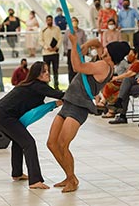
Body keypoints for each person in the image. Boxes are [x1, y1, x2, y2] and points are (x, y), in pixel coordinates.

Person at [48, 36, 131, 193]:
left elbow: (77, 67)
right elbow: (97, 43)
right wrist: (86, 45)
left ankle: (72, 180)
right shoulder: (104, 60)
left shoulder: (103, 66)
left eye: (106, 50)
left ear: (111, 55)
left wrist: (74, 44)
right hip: (69, 102)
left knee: (63, 144)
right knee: (52, 143)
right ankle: (68, 176)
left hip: (78, 107)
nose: (103, 50)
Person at [0, 61, 64, 190]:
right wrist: (79, 95)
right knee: (29, 143)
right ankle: (35, 180)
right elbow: (60, 94)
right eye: (43, 71)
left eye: (47, 71)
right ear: (36, 74)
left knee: (19, 141)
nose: (47, 74)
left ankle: (17, 173)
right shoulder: (38, 85)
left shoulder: (32, 85)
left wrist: (55, 104)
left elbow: (39, 107)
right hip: (5, 116)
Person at [98, 49, 139, 119]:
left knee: (117, 90)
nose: (128, 56)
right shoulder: (131, 64)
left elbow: (129, 74)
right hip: (125, 82)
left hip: (131, 83)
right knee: (107, 84)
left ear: (136, 55)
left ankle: (111, 109)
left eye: (131, 54)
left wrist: (116, 78)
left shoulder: (137, 63)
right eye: (128, 55)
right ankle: (106, 104)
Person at [40, 15, 61, 89]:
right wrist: (46, 47)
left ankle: (56, 85)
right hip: (46, 53)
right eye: (48, 20)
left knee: (56, 70)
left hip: (55, 53)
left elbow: (60, 39)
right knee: (46, 70)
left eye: (51, 20)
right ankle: (47, 85)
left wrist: (56, 47)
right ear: (46, 21)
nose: (50, 21)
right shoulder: (43, 29)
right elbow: (40, 40)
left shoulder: (57, 29)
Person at [63, 17, 87, 82]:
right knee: (71, 68)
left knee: (81, 67)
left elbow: (85, 42)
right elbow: (65, 42)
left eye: (75, 21)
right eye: (73, 21)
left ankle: (81, 82)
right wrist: (66, 51)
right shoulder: (68, 32)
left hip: (79, 51)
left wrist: (84, 50)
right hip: (70, 51)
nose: (74, 23)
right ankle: (71, 83)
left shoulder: (82, 32)